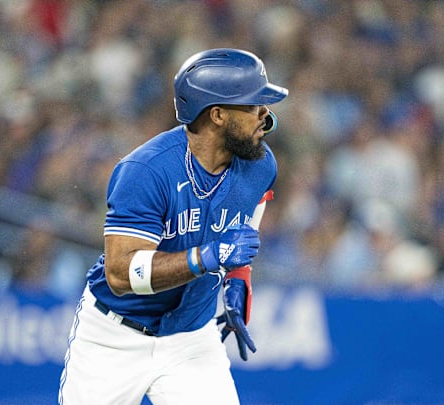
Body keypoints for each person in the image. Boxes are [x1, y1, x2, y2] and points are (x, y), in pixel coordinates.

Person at [58, 48, 288, 405]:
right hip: (116, 337)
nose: (266, 115)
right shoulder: (146, 170)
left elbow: (242, 230)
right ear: (217, 115)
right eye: (254, 104)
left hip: (191, 338)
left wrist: (237, 277)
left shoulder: (259, 164)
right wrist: (209, 256)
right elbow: (120, 274)